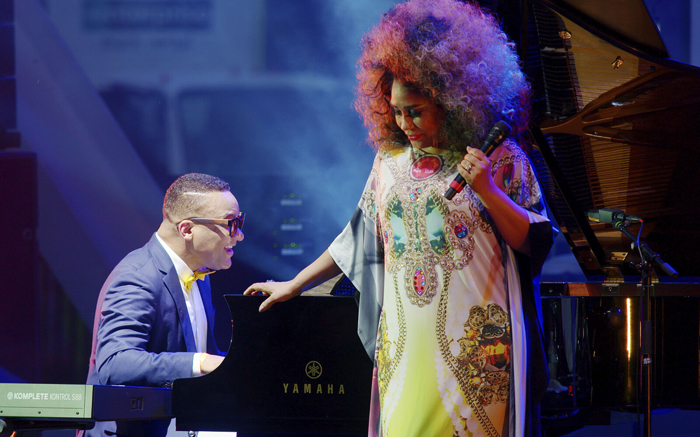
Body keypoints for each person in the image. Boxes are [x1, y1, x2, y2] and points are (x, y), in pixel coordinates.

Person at [245, 0, 556, 436]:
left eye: (415, 110)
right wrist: (296, 283)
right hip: (404, 342)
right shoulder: (389, 160)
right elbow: (358, 236)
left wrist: (486, 188)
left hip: (477, 348)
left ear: (451, 100)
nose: (404, 122)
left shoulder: (500, 157)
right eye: (395, 110)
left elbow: (534, 241)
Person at [80, 172, 244, 437]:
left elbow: (199, 355)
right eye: (231, 224)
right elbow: (116, 363)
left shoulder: (200, 274)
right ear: (187, 230)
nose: (239, 235)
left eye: (239, 222)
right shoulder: (138, 277)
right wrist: (201, 362)